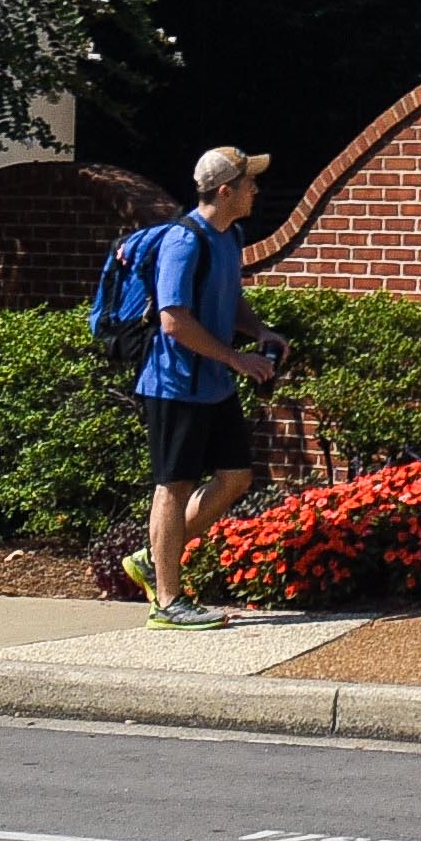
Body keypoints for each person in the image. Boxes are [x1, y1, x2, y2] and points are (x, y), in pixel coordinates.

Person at [130, 146, 280, 626]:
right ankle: (168, 603)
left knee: (236, 477)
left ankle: (155, 559)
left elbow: (228, 295)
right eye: (248, 182)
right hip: (175, 384)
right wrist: (237, 357)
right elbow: (174, 322)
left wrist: (258, 333)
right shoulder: (183, 241)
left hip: (212, 383)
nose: (256, 189)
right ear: (225, 190)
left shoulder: (230, 235)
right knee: (173, 487)